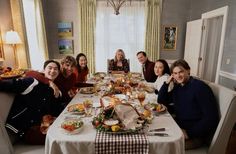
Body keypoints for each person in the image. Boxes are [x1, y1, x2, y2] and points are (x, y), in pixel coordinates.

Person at [158, 59, 219, 150]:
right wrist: (166, 83)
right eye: (175, 73)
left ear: (188, 70)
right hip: (178, 127)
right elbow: (161, 100)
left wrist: (189, 133)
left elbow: (211, 118)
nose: (178, 76)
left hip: (194, 135)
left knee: (161, 147)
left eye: (181, 72)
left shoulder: (199, 87)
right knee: (154, 134)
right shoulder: (179, 87)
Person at [0, 60, 60, 145]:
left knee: (67, 130)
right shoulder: (32, 82)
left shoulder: (54, 90)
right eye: (50, 68)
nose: (53, 71)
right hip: (24, 129)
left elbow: (53, 110)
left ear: (58, 72)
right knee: (61, 135)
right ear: (43, 70)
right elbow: (8, 84)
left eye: (56, 69)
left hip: (41, 125)